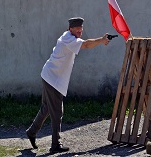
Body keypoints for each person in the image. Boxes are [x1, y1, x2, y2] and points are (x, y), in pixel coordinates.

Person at [26, 17, 110, 154]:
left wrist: (100, 40)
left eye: (81, 29)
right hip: (52, 78)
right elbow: (86, 45)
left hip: (51, 76)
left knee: (47, 107)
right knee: (57, 111)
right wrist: (101, 40)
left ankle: (31, 132)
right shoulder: (68, 38)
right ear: (71, 29)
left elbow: (84, 43)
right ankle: (55, 144)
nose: (80, 31)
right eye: (77, 29)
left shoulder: (69, 37)